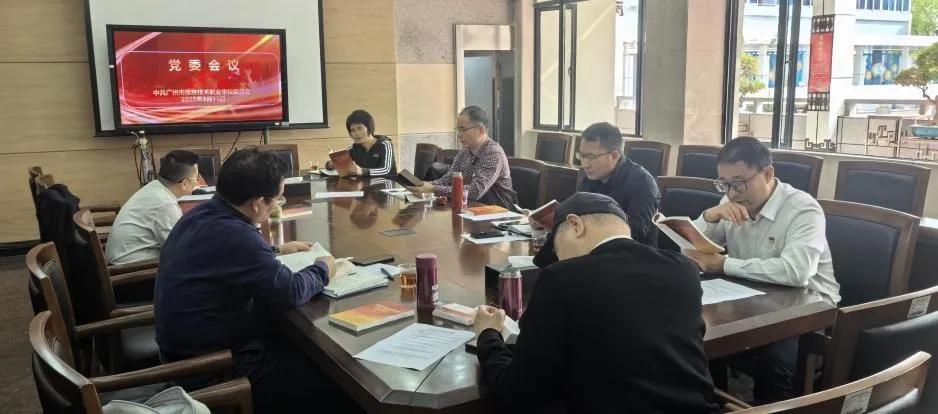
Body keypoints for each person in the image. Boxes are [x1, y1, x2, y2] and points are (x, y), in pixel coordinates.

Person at [154, 147, 359, 412]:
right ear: (257, 203)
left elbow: (226, 258)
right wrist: (323, 268)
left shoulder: (201, 214)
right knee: (343, 387)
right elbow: (290, 291)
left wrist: (274, 251)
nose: (277, 204)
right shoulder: (236, 235)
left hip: (185, 353)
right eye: (277, 199)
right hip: (215, 368)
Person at [475, 192, 719, 413]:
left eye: (557, 251)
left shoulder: (562, 277)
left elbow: (517, 392)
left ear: (575, 225)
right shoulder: (684, 269)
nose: (559, 259)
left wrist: (488, 335)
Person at [684, 137, 839, 403]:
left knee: (775, 362)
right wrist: (709, 217)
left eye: (739, 183)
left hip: (807, 309)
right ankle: (715, 404)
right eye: (725, 184)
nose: (732, 193)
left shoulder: (803, 209)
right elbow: (689, 250)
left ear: (767, 174)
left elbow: (796, 272)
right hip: (751, 300)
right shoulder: (731, 201)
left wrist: (723, 264)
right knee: (697, 336)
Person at [405, 106, 518, 208]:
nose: (459, 135)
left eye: (463, 130)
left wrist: (433, 189)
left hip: (499, 214)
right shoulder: (464, 151)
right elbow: (448, 179)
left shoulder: (493, 153)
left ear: (481, 130)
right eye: (458, 130)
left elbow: (475, 191)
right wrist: (425, 185)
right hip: (472, 209)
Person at [105, 150, 201, 265]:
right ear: (185, 183)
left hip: (126, 258)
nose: (197, 182)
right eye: (197, 178)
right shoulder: (165, 205)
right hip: (130, 270)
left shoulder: (155, 187)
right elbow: (179, 250)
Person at [577, 122, 660, 245]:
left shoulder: (643, 183)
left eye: (591, 157)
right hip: (593, 245)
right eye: (582, 155)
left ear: (614, 156)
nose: (585, 164)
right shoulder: (589, 176)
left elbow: (634, 233)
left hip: (632, 251)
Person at [326, 109, 397, 178]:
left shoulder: (385, 144)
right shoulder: (354, 148)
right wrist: (331, 164)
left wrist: (363, 171)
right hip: (366, 184)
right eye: (353, 130)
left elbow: (386, 170)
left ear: (369, 127)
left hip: (388, 184)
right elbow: (335, 163)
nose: (356, 133)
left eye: (360, 128)